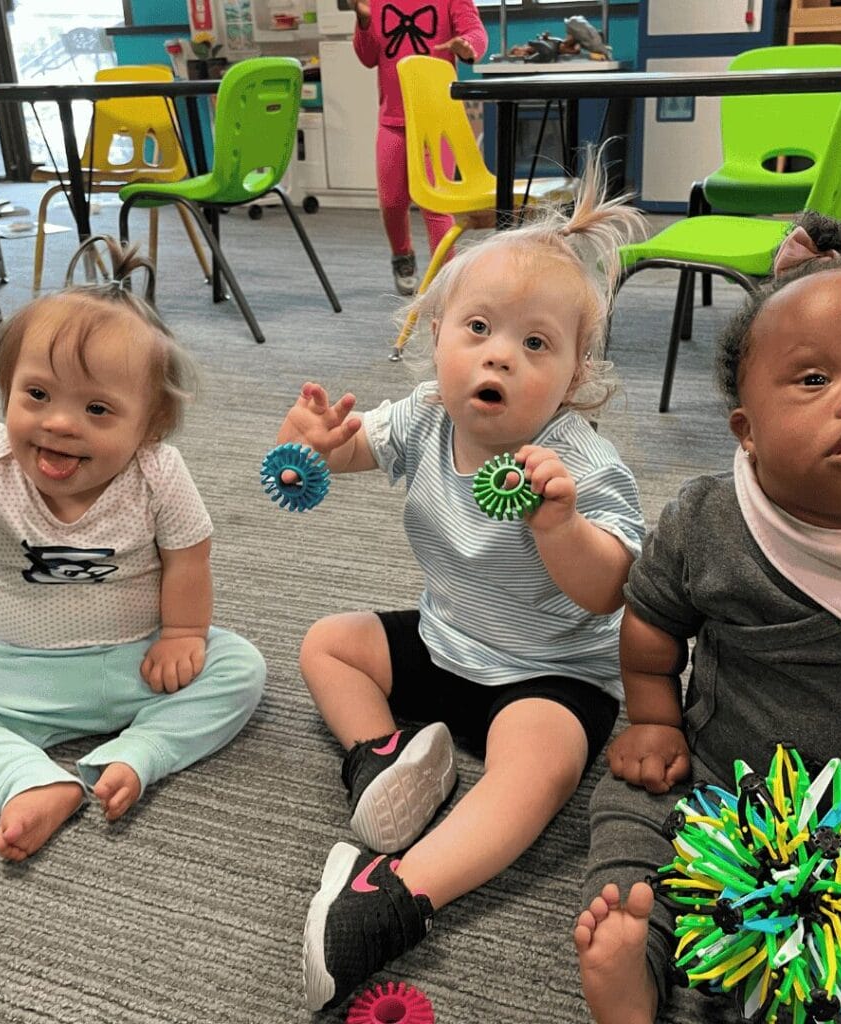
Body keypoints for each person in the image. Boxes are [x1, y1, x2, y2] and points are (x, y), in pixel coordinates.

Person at [575, 212, 841, 1024]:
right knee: (629, 818)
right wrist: (654, 719)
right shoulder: (710, 519)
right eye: (812, 380)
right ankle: (640, 962)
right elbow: (652, 629)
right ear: (747, 433)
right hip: (725, 791)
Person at [276, 160, 647, 1010]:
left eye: (535, 345)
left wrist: (558, 525)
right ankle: (384, 763)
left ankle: (395, 894)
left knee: (538, 774)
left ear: (575, 374)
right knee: (327, 643)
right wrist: (316, 438)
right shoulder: (425, 416)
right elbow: (351, 448)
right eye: (478, 328)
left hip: (549, 675)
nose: (499, 356)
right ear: (436, 333)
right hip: (447, 646)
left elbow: (611, 590)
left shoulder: (582, 462)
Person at [0, 238, 266, 863]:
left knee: (241, 668)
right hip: (25, 671)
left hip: (144, 660)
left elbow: (189, 554)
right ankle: (31, 782)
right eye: (36, 395)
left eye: (97, 409)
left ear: (148, 427)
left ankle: (139, 752)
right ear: (6, 390)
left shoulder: (157, 471)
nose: (61, 423)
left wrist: (182, 633)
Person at [350, 0, 487, 296]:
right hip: (392, 121)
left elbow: (475, 30)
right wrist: (363, 20)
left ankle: (446, 282)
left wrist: (467, 44)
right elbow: (368, 57)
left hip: (436, 119)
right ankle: (402, 256)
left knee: (436, 204)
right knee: (392, 202)